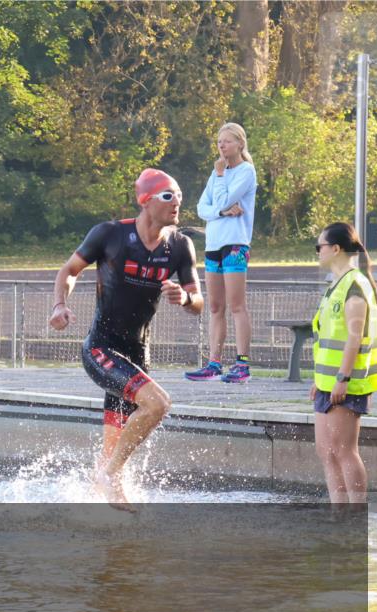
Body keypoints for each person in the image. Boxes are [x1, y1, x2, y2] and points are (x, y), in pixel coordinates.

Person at [49, 169, 204, 511]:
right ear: (146, 201)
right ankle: (110, 476)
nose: (177, 201)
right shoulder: (109, 234)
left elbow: (198, 302)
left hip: (137, 356)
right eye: (168, 195)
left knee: (114, 445)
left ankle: (102, 507)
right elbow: (69, 271)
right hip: (101, 348)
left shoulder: (180, 246)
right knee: (158, 404)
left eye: (179, 194)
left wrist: (185, 298)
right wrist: (60, 304)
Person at [311, 222, 377, 504]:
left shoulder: (355, 285)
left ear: (336, 248)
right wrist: (318, 381)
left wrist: (342, 378)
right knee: (326, 450)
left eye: (320, 247)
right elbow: (328, 338)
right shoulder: (336, 285)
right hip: (327, 383)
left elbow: (354, 338)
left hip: (347, 383)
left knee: (343, 450)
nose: (317, 252)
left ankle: (355, 516)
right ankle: (339, 514)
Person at [186, 122, 257, 383]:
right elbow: (203, 208)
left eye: (226, 141)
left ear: (239, 144)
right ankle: (214, 363)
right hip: (213, 245)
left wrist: (220, 192)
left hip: (235, 243)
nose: (221, 146)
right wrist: (221, 212)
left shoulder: (246, 171)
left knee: (237, 305)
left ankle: (242, 364)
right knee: (215, 306)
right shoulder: (216, 173)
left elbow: (224, 199)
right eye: (219, 142)